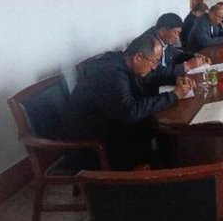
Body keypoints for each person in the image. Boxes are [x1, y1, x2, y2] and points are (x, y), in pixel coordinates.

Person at [63, 33, 194, 170]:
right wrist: (174, 95)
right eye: (155, 61)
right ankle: (158, 170)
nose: (154, 67)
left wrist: (175, 79)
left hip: (109, 123)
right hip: (92, 143)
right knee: (153, 126)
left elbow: (152, 75)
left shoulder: (122, 61)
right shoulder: (112, 74)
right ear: (138, 57)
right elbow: (130, 112)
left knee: (156, 125)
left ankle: (166, 162)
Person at [143, 13, 208, 86]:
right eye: (175, 33)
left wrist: (193, 56)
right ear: (163, 31)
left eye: (179, 33)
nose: (177, 37)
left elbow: (174, 55)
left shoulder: (164, 39)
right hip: (152, 86)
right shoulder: (149, 44)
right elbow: (154, 73)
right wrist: (186, 66)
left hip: (166, 81)